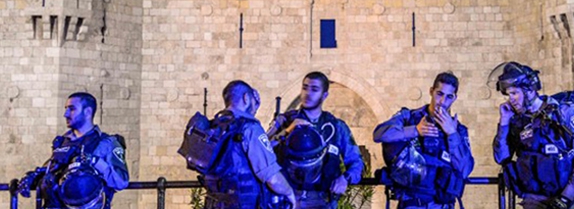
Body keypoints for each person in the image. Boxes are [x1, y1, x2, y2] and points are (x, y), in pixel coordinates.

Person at [491, 62, 574, 209]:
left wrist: (565, 198)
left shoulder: (563, 113)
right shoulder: (518, 121)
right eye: (508, 94)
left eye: (514, 93)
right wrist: (504, 123)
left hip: (565, 201)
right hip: (532, 201)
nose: (510, 99)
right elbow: (501, 157)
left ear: (530, 90)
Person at [373, 72, 474, 209]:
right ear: (431, 91)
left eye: (449, 97)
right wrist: (415, 130)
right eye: (439, 94)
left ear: (455, 98)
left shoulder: (458, 130)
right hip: (412, 202)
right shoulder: (409, 117)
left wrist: (451, 133)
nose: (443, 101)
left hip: (442, 204)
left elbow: (465, 169)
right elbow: (379, 134)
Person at [188, 80, 296, 209]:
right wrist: (290, 193)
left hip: (214, 203)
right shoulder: (250, 128)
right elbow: (272, 178)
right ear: (246, 98)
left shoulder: (215, 127)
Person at [267, 72, 364, 209]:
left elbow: (357, 162)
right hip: (289, 198)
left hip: (323, 200)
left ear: (324, 95)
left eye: (314, 89)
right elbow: (262, 152)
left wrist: (345, 178)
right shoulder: (285, 121)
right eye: (305, 87)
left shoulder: (336, 127)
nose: (307, 93)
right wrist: (287, 130)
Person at [17, 92, 129, 208]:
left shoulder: (106, 143)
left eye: (71, 109)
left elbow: (121, 181)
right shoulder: (61, 143)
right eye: (66, 109)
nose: (65, 114)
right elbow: (49, 172)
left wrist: (95, 162)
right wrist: (33, 177)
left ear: (87, 112)